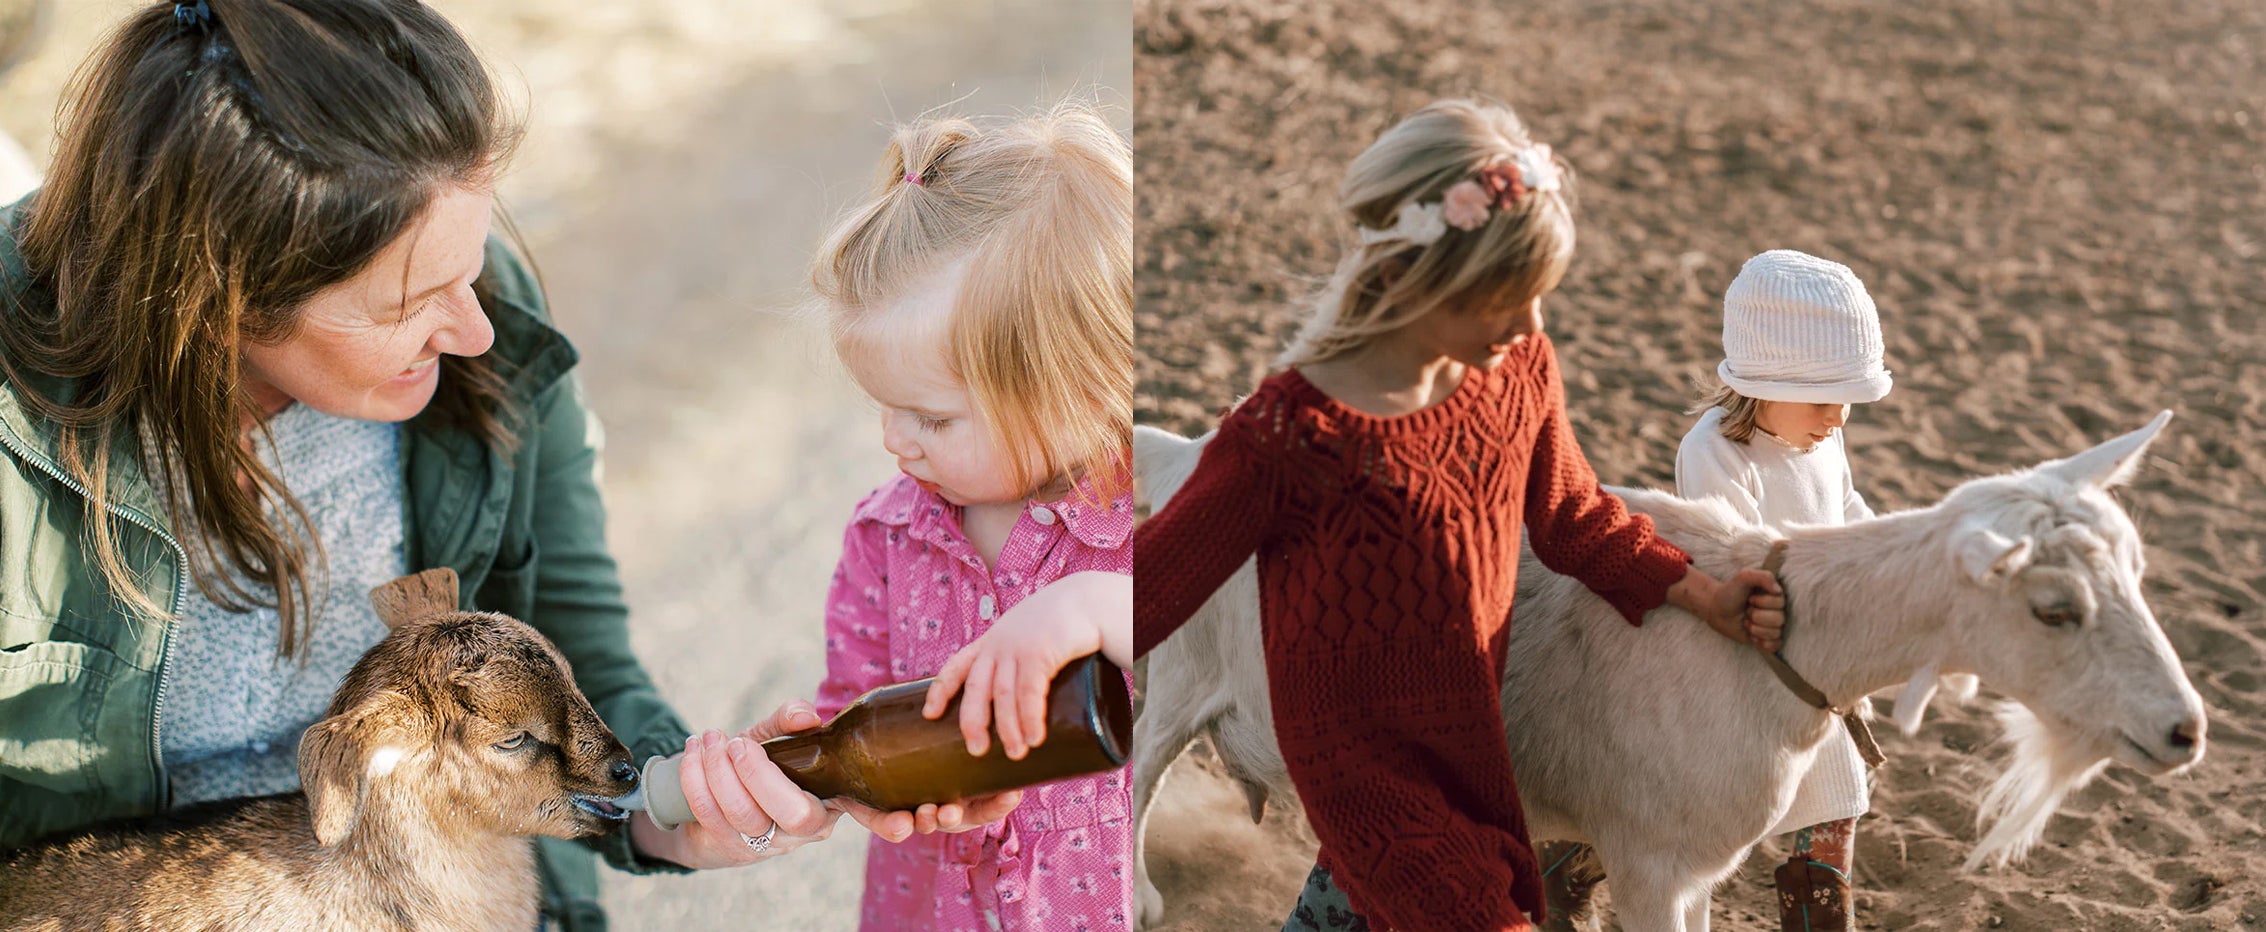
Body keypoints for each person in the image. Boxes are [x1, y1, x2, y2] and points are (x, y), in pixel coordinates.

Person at [0, 3, 986, 928]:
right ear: (213, 297)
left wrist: (675, 805)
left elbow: (574, 650)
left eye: (469, 268)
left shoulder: (487, 323)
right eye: (412, 302)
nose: (475, 328)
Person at [1129, 98, 1788, 931]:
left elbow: (1573, 513)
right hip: (1368, 789)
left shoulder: (1517, 369)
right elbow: (1145, 590)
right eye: (1502, 299)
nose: (1527, 325)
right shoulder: (1291, 434)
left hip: (1470, 758)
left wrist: (1698, 593)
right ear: (1410, 277)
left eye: (1539, 299)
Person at [801, 100, 1136, 931]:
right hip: (932, 903)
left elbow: (1219, 660)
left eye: (933, 419)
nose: (894, 440)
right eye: (884, 407)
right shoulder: (886, 536)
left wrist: (1091, 609)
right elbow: (857, 711)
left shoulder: (1146, 527)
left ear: (1081, 390)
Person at [1674, 248, 1890, 932]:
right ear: (1765, 380)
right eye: (1826, 399)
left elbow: (1847, 514)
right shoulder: (1716, 451)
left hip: (1818, 668)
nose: (1839, 418)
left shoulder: (1819, 441)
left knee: (1832, 811)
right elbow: (1731, 558)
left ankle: (1819, 918)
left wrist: (1883, 564)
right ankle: (1572, 880)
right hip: (1742, 668)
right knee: (1687, 838)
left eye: (1848, 401)